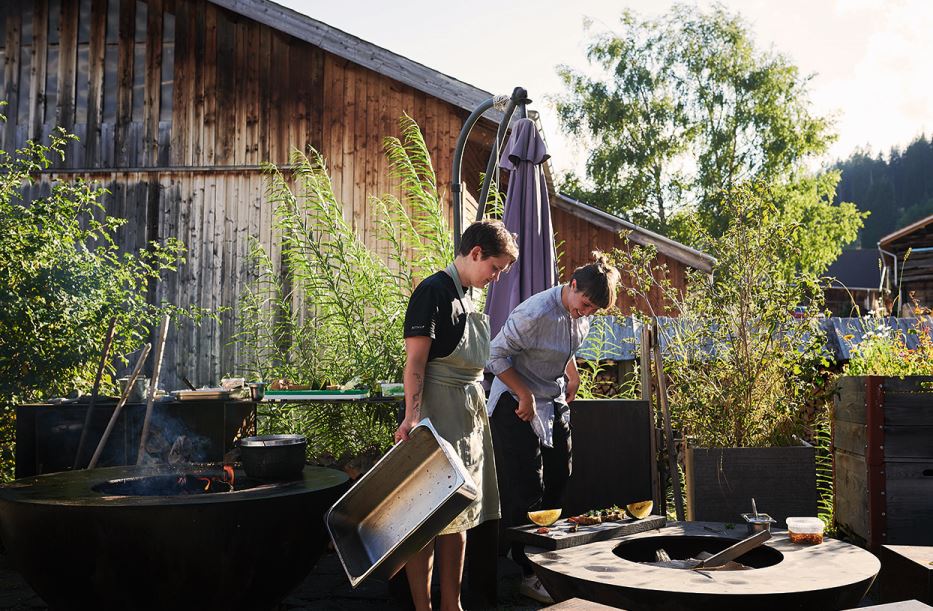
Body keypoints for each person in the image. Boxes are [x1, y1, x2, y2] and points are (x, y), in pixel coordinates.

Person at [394, 219, 519, 611]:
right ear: (476, 253)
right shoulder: (433, 292)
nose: (495, 277)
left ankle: (453, 604)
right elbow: (415, 362)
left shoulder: (467, 294)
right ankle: (423, 607)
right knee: (426, 522)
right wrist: (412, 418)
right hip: (434, 416)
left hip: (467, 420)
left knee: (460, 515)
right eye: (494, 268)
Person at [486, 253, 621, 604]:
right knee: (528, 488)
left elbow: (566, 343)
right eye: (585, 304)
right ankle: (528, 573)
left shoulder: (581, 314)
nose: (586, 312)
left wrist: (572, 372)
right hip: (514, 400)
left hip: (552, 397)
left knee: (561, 476)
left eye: (593, 310)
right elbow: (494, 355)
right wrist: (523, 392)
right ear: (572, 285)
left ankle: (548, 559)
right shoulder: (534, 312)